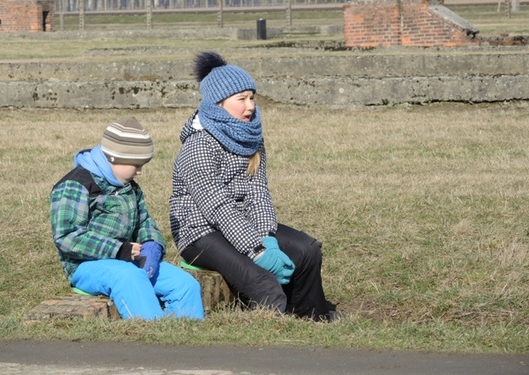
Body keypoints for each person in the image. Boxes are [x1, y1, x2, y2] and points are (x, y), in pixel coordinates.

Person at [169, 52, 336, 322]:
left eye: (252, 97)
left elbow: (258, 192)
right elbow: (218, 207)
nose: (250, 106)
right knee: (265, 283)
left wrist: (268, 238)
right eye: (241, 99)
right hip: (200, 233)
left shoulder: (251, 138)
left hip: (240, 224)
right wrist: (257, 251)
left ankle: (311, 317)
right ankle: (273, 332)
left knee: (307, 250)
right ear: (218, 103)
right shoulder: (198, 145)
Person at [50, 116, 204, 321]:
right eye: (136, 164)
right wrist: (117, 249)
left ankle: (186, 340)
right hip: (86, 265)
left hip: (128, 260)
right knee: (129, 278)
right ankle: (153, 337)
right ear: (114, 157)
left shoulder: (129, 186)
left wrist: (152, 244)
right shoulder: (75, 185)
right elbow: (67, 237)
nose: (139, 171)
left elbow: (144, 221)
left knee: (185, 285)